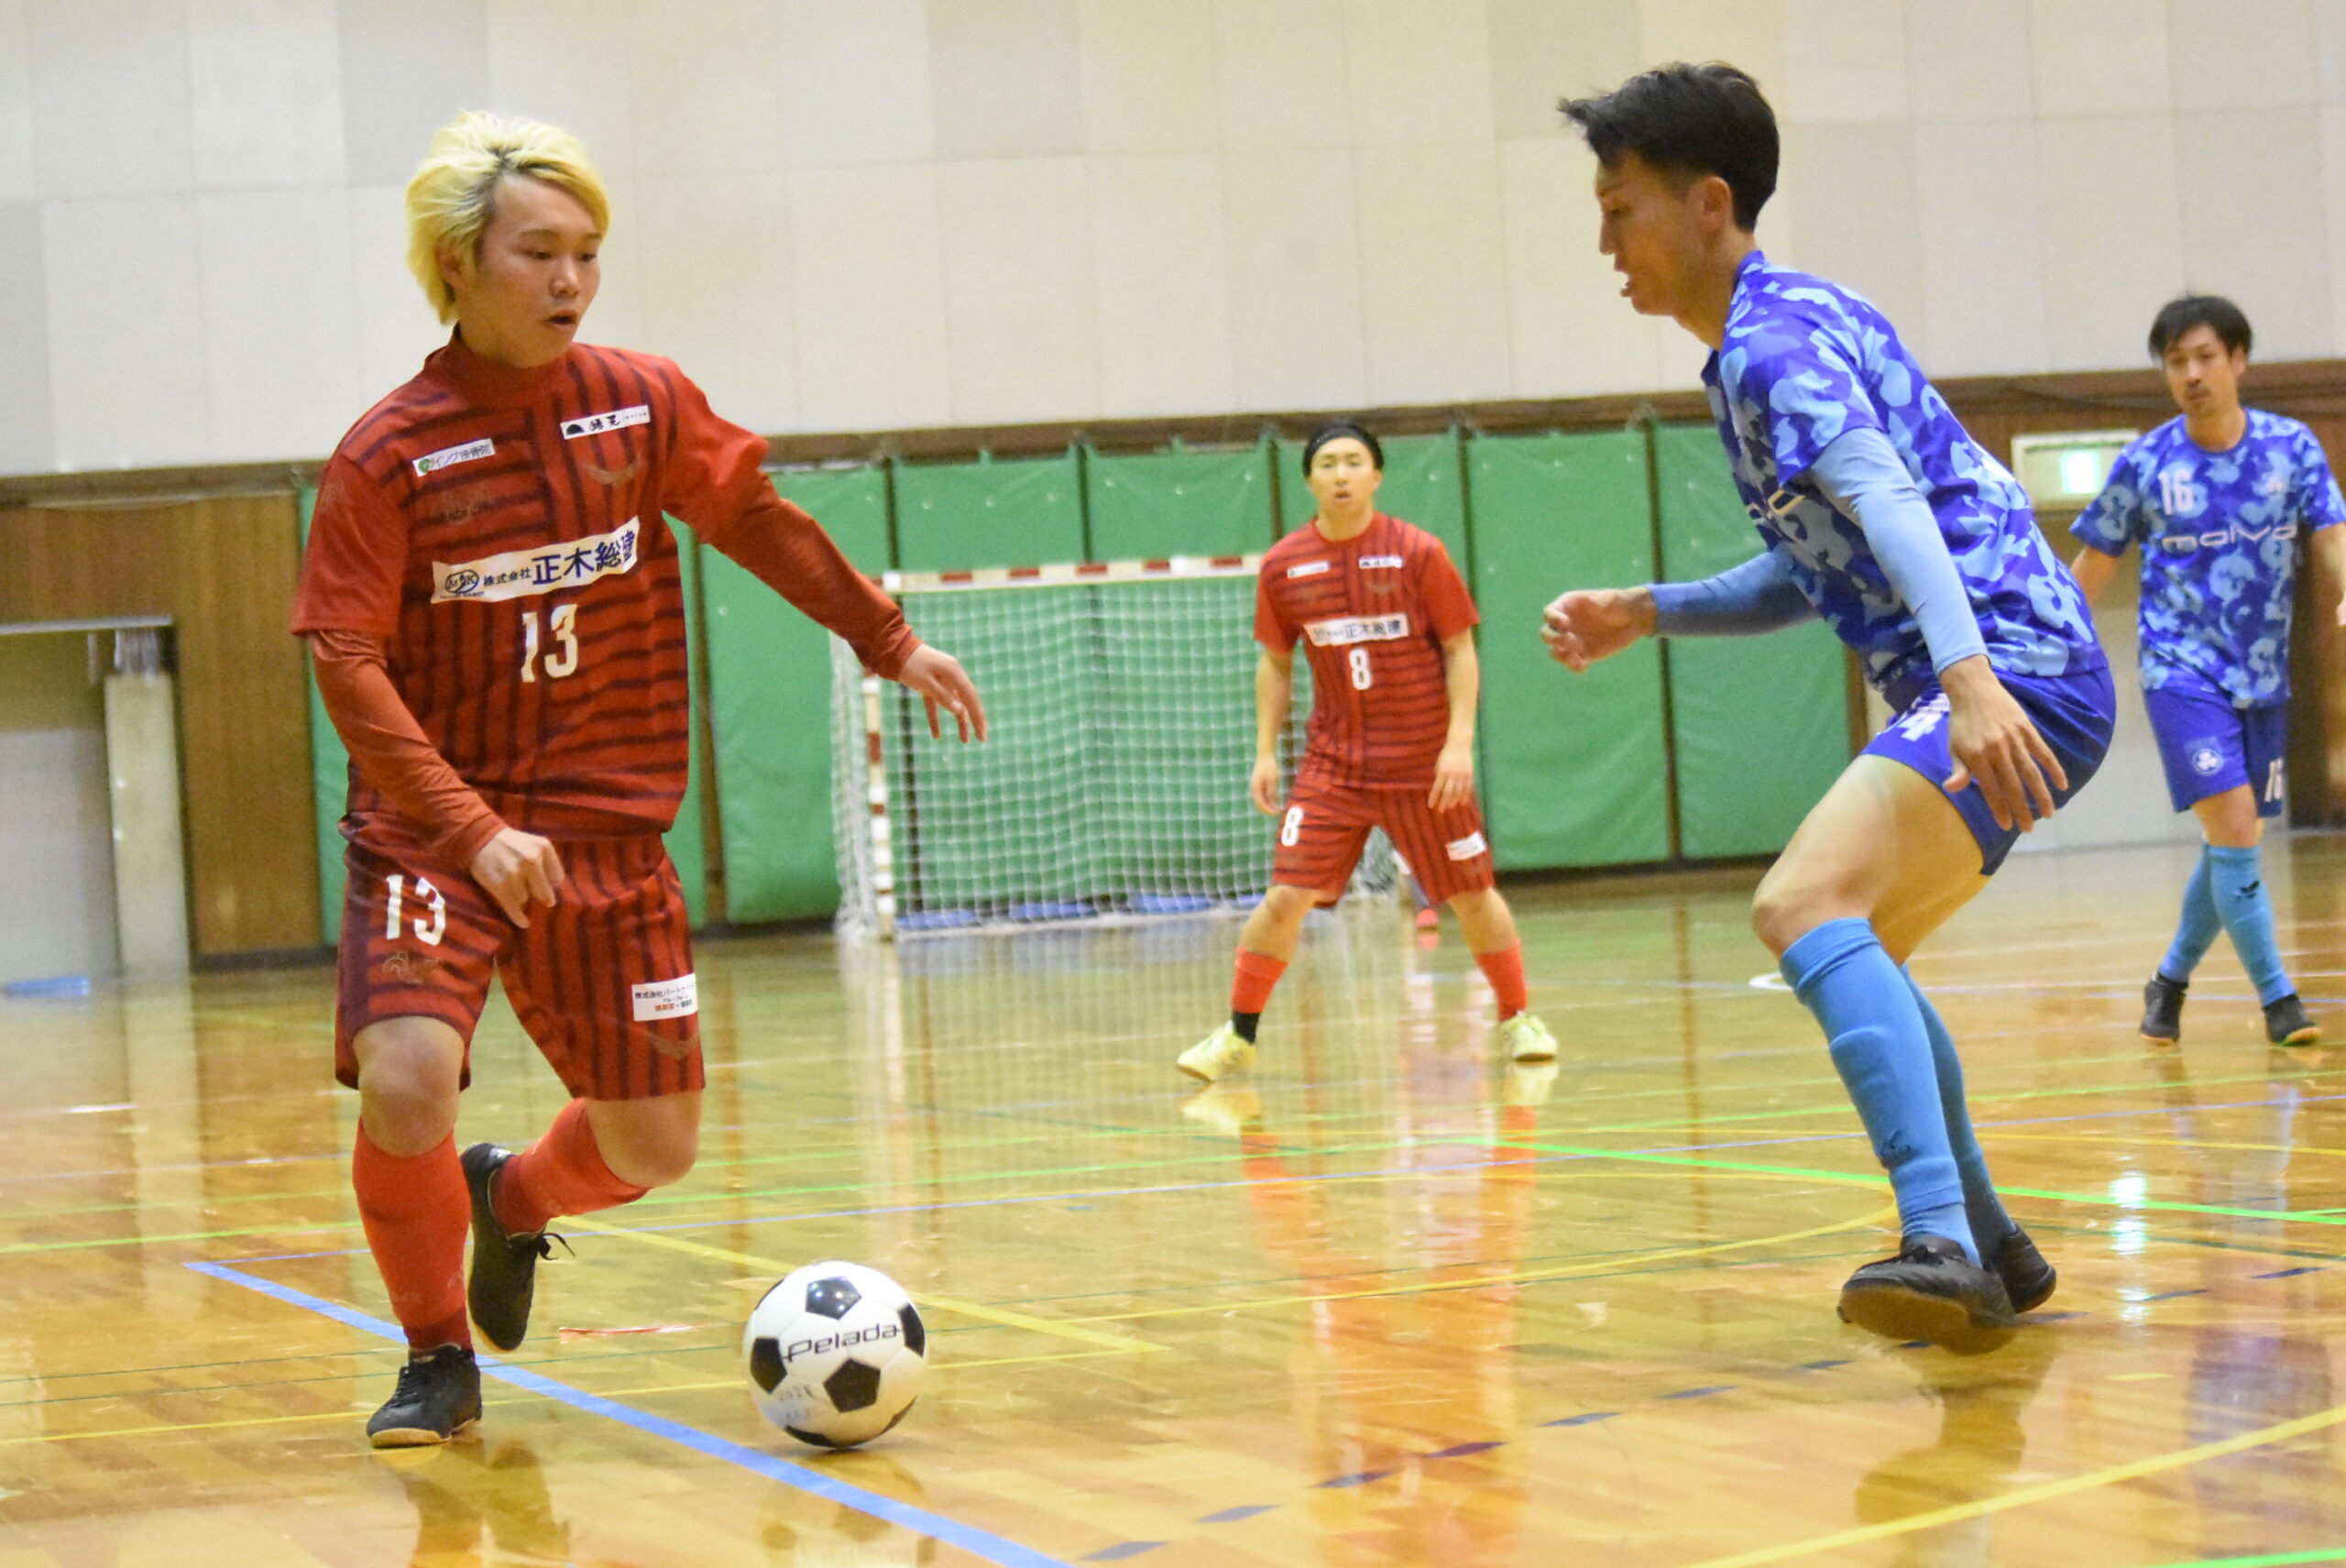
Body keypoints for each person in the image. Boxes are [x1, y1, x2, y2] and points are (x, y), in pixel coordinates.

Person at [291, 112, 985, 1447]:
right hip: (435, 830)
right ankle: (437, 1354)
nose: (571, 279)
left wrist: (887, 637)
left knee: (655, 1142)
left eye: (588, 252)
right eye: (538, 252)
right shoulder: (388, 454)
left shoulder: (640, 401)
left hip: (606, 835)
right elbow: (346, 662)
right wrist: (469, 828)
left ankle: (509, 1200)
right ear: (457, 263)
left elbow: (758, 519)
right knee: (410, 1073)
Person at [1542, 65, 2113, 1346]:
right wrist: (1649, 609)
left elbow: (1895, 508)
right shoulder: (1772, 334)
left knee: (1799, 902)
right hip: (2024, 667)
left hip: (2013, 664)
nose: (1604, 243)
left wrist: (1970, 681)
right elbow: (1817, 568)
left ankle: (1939, 1243)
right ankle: (1993, 1243)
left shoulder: (1773, 348)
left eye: (1620, 210)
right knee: (1861, 945)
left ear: (1708, 204)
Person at [1177, 422, 1557, 1083]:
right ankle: (1238, 1034)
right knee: (1286, 896)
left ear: (1376, 475)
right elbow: (1275, 662)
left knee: (1471, 894)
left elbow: (1460, 649)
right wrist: (1265, 752)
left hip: (1423, 762)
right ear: (1309, 480)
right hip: (1336, 766)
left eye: (1354, 461)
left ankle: (1519, 1017)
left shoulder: (1418, 552)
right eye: (1327, 463)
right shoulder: (1284, 565)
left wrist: (1458, 743)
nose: (1341, 473)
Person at [2067, 294, 2346, 1048]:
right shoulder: (2147, 462)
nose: (2191, 374)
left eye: (2205, 357)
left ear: (2238, 361)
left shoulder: (2291, 448)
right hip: (2180, 672)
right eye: (2175, 361)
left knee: (2232, 840)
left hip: (2263, 679)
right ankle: (2279, 1001)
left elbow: (2331, 534)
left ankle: (2168, 984)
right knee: (2235, 824)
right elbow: (2093, 564)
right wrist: (2044, 647)